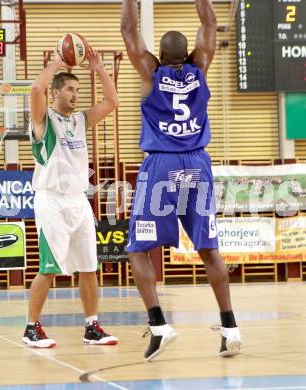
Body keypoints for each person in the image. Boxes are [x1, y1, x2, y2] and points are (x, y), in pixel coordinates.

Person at [121, 0, 241, 361]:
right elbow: (210, 21)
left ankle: (159, 326)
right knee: (209, 251)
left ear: (158, 55)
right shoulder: (201, 66)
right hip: (198, 164)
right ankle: (231, 328)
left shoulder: (149, 72)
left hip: (161, 166)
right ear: (189, 53)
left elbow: (129, 31)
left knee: (137, 250)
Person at [22, 47, 119, 347]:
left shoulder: (79, 120)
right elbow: (37, 87)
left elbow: (112, 102)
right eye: (69, 89)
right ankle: (31, 328)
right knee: (48, 269)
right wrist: (54, 64)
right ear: (56, 93)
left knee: (89, 267)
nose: (75, 94)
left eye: (77, 89)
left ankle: (92, 326)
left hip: (79, 201)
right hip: (51, 200)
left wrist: (100, 68)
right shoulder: (43, 120)